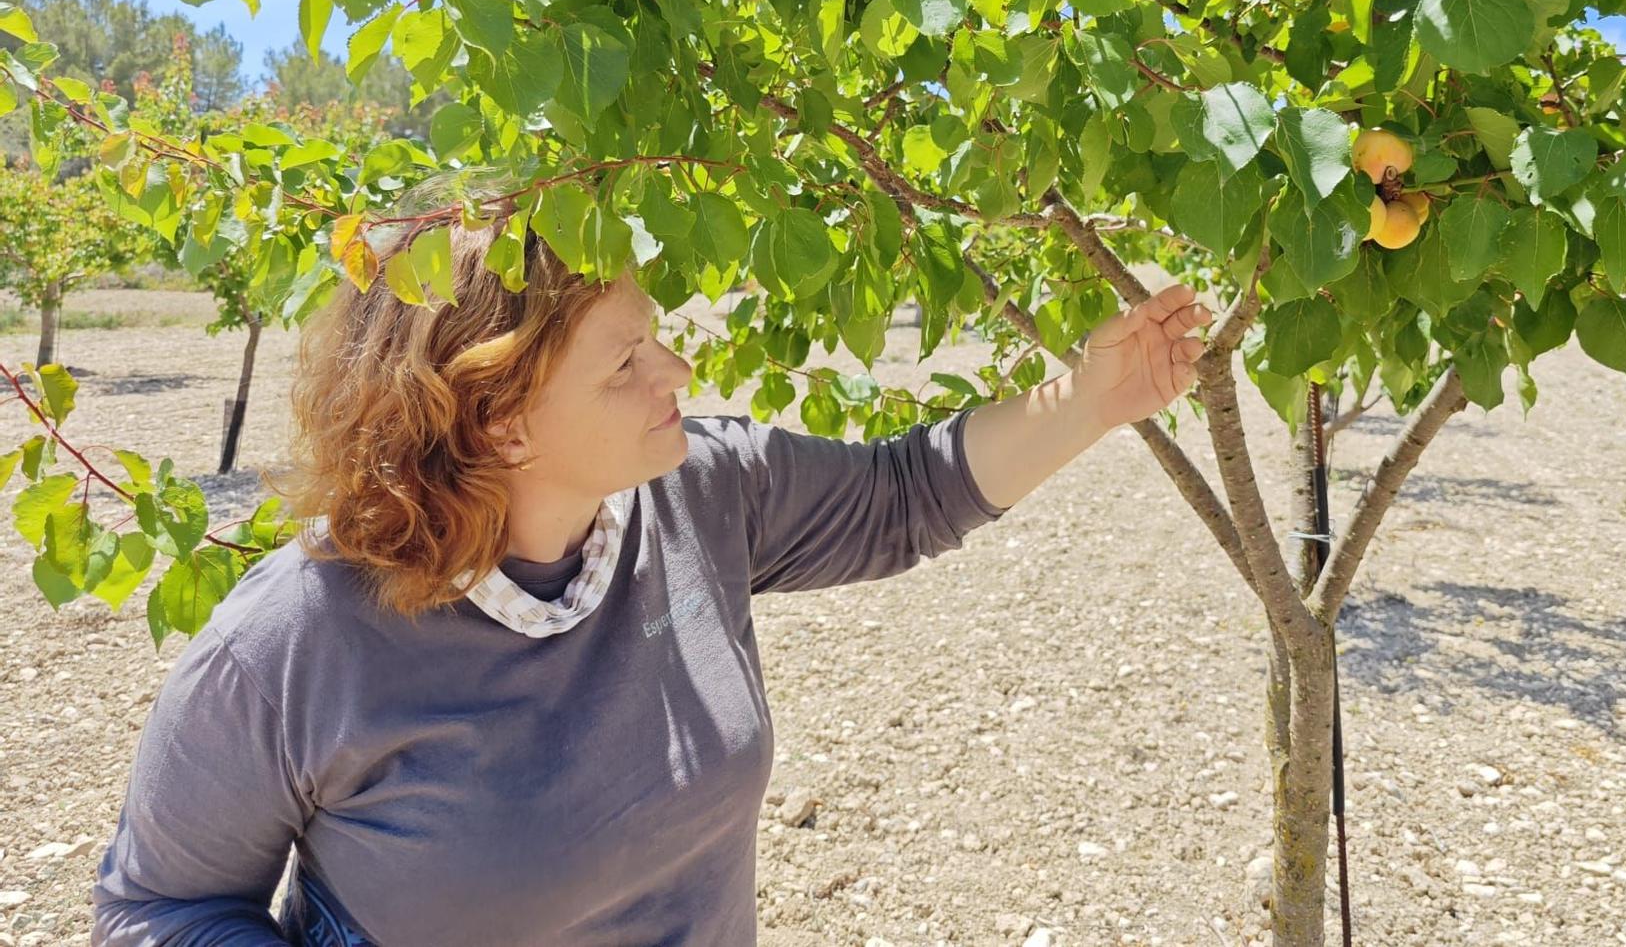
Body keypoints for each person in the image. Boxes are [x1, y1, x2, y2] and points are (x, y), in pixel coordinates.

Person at [90, 212, 1211, 946]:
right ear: (498, 423)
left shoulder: (698, 495)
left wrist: (1098, 397)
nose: (677, 371)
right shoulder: (297, 643)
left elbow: (902, 495)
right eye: (626, 362)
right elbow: (158, 906)